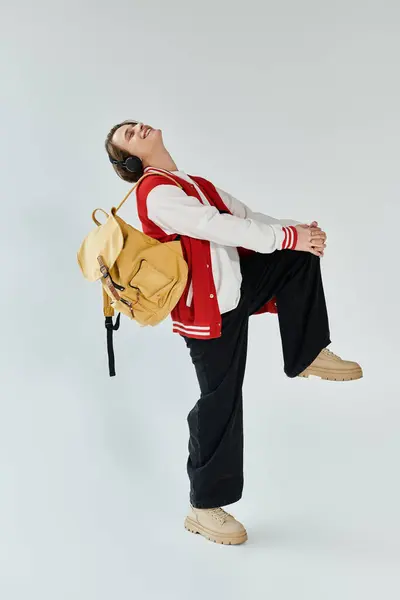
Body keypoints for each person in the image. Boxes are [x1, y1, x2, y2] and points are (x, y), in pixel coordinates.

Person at [104, 119, 363, 546]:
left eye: (134, 124)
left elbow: (245, 216)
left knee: (296, 258)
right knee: (220, 401)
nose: (138, 128)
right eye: (129, 135)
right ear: (131, 160)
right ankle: (203, 508)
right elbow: (221, 227)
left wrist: (298, 231)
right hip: (207, 314)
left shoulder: (191, 182)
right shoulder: (157, 193)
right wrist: (287, 236)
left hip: (235, 290)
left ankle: (308, 353)